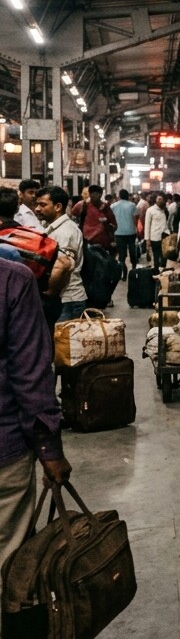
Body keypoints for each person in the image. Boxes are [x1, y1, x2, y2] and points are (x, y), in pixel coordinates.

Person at [0, 257, 72, 585]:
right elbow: (31, 377)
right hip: (6, 455)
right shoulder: (12, 279)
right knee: (8, 569)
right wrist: (49, 449)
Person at [33, 187, 86, 324]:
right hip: (62, 300)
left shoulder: (65, 232)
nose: (37, 209)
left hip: (67, 301)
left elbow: (62, 266)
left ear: (58, 207)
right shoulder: (50, 226)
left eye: (43, 205)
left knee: (62, 344)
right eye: (37, 204)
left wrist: (48, 292)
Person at [69, 184, 115, 254]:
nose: (95, 196)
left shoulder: (106, 207)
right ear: (89, 194)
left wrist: (109, 226)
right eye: (93, 194)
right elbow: (71, 216)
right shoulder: (82, 205)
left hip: (103, 243)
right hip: (86, 242)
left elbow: (113, 223)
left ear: (101, 194)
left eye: (97, 194)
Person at [111, 189, 139, 277]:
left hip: (118, 233)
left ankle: (124, 273)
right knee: (132, 251)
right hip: (131, 232)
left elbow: (111, 220)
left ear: (119, 195)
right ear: (128, 196)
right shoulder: (132, 205)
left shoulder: (113, 206)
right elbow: (136, 219)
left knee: (121, 255)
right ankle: (134, 270)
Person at [144, 193, 170, 272]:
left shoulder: (165, 210)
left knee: (164, 256)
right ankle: (155, 272)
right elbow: (147, 225)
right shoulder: (150, 210)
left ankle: (163, 273)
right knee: (155, 257)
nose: (160, 201)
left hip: (165, 237)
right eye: (159, 199)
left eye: (162, 199)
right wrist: (147, 239)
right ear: (155, 200)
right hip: (155, 237)